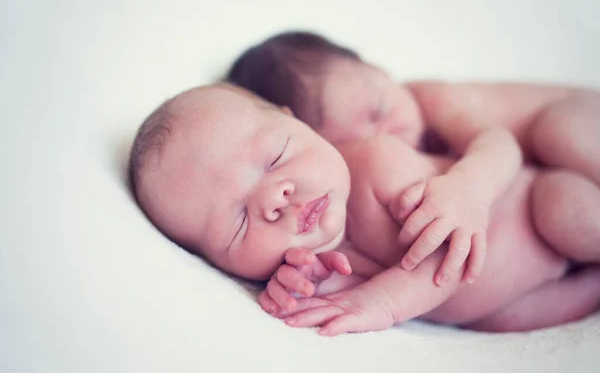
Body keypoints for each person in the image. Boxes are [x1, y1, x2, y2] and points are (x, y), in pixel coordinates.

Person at [128, 84, 600, 336]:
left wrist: (466, 188)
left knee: (571, 216)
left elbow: (443, 256)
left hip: (539, 206)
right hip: (510, 294)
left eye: (275, 158)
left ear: (303, 125)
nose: (277, 198)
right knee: (502, 323)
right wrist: (308, 290)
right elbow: (352, 286)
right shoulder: (304, 262)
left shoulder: (377, 162)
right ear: (218, 265)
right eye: (238, 222)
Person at [226, 31, 600, 286]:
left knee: (558, 133)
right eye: (362, 141)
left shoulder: (429, 97)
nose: (393, 136)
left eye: (379, 109)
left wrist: (469, 187)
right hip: (550, 196)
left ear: (378, 70)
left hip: (579, 119)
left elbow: (499, 144)